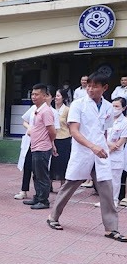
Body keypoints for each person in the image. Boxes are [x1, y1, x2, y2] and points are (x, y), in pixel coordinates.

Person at [47, 72, 127, 242]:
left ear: (104, 88)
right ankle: (53, 217)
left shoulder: (107, 107)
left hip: (100, 153)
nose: (90, 89)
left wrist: (105, 145)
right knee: (70, 186)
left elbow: (104, 130)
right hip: (83, 151)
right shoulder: (78, 104)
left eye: (94, 86)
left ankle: (111, 228)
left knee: (107, 189)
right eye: (88, 85)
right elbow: (74, 131)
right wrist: (93, 146)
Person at [22, 84, 56, 210]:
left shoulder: (46, 111)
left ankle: (44, 200)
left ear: (44, 96)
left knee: (42, 175)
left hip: (42, 147)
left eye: (37, 94)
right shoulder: (37, 110)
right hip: (35, 146)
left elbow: (52, 131)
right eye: (32, 94)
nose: (33, 97)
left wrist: (50, 143)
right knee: (36, 174)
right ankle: (38, 197)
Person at [94, 97, 127, 208]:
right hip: (104, 153)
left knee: (115, 180)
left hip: (116, 155)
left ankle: (114, 200)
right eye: (113, 106)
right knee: (104, 179)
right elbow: (100, 134)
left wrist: (110, 147)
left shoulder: (125, 122)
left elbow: (121, 141)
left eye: (117, 106)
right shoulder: (107, 118)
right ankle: (104, 200)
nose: (114, 108)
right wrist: (107, 145)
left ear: (124, 108)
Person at [50, 88, 71, 192]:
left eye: (58, 96)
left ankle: (63, 185)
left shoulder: (67, 110)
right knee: (51, 162)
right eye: (55, 96)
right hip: (52, 138)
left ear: (63, 98)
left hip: (64, 138)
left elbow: (70, 125)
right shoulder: (51, 109)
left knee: (63, 162)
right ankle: (49, 184)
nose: (56, 98)